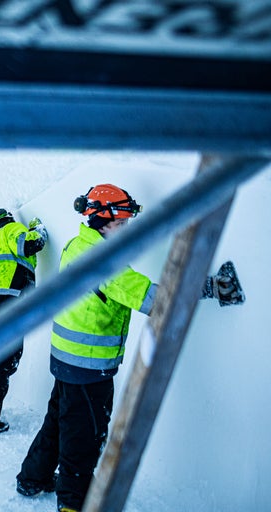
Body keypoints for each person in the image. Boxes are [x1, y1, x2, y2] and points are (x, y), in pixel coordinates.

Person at [15, 183, 240, 512]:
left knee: (58, 422)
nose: (126, 231)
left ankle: (32, 479)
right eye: (121, 224)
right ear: (102, 222)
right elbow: (155, 299)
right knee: (83, 440)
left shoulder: (78, 245)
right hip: (89, 368)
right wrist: (211, 287)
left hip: (64, 359)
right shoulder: (106, 262)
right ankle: (73, 504)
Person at [0, 208, 48, 435]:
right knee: (3, 359)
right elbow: (29, 244)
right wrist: (38, 230)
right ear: (7, 219)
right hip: (5, 302)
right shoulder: (12, 229)